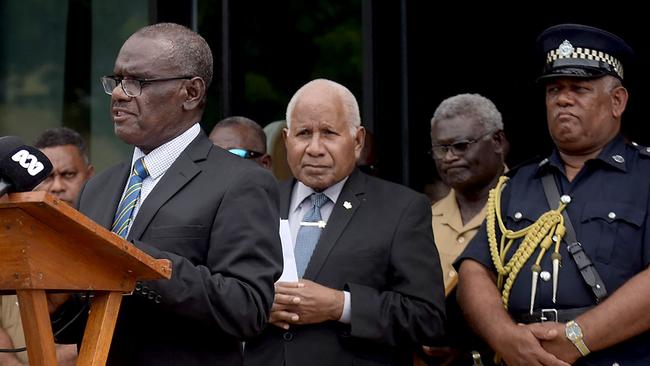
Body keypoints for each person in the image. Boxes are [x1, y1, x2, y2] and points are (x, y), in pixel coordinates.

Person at [55, 23, 282, 365]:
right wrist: (54, 293)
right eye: (116, 81)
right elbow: (76, 322)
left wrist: (139, 263)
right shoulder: (97, 189)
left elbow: (246, 308)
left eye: (137, 82)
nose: (118, 94)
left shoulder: (241, 182)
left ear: (191, 93)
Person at [456, 24, 650, 366]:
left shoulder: (645, 177)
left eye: (579, 88)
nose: (562, 98)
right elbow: (474, 270)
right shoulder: (517, 183)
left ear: (617, 101)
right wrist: (505, 337)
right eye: (554, 90)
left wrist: (578, 338)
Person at [244, 78, 446, 366]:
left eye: (328, 133)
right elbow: (222, 295)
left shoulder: (401, 209)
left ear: (358, 140)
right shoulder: (257, 205)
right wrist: (257, 305)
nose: (314, 148)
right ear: (287, 140)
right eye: (303, 133)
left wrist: (341, 306)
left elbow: (428, 319)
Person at [417, 94, 507, 366]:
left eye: (460, 145)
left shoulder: (530, 211)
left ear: (498, 142)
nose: (449, 157)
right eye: (440, 149)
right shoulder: (421, 220)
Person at [0, 127, 93, 366]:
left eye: (69, 175)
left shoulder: (111, 248)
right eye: (47, 178)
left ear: (90, 176)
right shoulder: (9, 250)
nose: (57, 187)